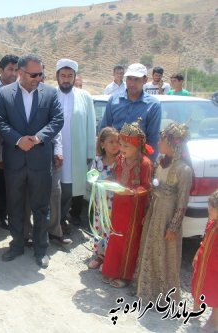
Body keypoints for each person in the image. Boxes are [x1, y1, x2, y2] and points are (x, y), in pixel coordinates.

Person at [0, 54, 64, 268]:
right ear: (21, 73)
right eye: (34, 74)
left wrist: (38, 138)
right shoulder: (4, 94)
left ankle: (41, 249)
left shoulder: (50, 93)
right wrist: (18, 140)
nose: (38, 78)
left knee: (41, 207)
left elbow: (57, 120)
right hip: (14, 161)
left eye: (41, 74)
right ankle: (17, 245)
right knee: (15, 206)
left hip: (40, 162)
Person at [136, 122, 193, 301]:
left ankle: (164, 294)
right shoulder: (161, 162)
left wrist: (173, 227)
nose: (159, 143)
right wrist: (147, 212)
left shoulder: (184, 170)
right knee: (150, 247)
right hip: (155, 211)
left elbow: (182, 202)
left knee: (164, 253)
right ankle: (146, 288)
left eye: (161, 140)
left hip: (167, 216)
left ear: (171, 143)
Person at [101, 120, 153, 288]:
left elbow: (147, 186)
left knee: (128, 240)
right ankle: (111, 270)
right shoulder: (121, 159)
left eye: (126, 146)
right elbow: (116, 176)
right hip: (118, 204)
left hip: (133, 209)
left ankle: (124, 275)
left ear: (137, 146)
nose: (122, 149)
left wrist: (132, 192)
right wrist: (107, 181)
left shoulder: (144, 163)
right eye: (121, 145)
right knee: (115, 237)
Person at [53, 59, 96, 244]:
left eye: (70, 76)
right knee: (53, 189)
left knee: (68, 190)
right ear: (57, 77)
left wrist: (89, 152)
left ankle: (61, 220)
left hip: (75, 153)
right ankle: (53, 223)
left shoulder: (84, 96)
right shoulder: (49, 94)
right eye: (63, 75)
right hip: (53, 151)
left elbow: (91, 125)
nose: (66, 79)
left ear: (75, 77)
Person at [99, 63, 161, 161]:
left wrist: (148, 166)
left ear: (145, 80)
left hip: (137, 164)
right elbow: (103, 131)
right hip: (112, 162)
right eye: (129, 79)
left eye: (136, 79)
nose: (132, 83)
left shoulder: (153, 106)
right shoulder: (114, 100)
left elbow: (153, 139)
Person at [0, 54, 19, 230]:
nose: (13, 73)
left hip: (13, 147)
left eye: (16, 70)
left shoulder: (19, 90)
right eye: (10, 69)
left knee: (7, 186)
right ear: (0, 70)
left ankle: (2, 215)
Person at [87, 127, 119, 270]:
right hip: (100, 203)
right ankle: (99, 256)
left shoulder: (120, 162)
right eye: (111, 142)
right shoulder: (98, 160)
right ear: (102, 144)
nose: (115, 145)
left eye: (117, 141)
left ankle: (110, 258)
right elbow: (91, 176)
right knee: (99, 228)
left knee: (111, 230)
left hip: (114, 204)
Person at [192, 189, 218, 332]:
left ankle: (214, 322)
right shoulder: (212, 223)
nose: (209, 208)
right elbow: (205, 240)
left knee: (216, 293)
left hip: (216, 269)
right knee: (199, 286)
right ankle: (196, 311)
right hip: (203, 264)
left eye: (212, 207)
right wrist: (197, 254)